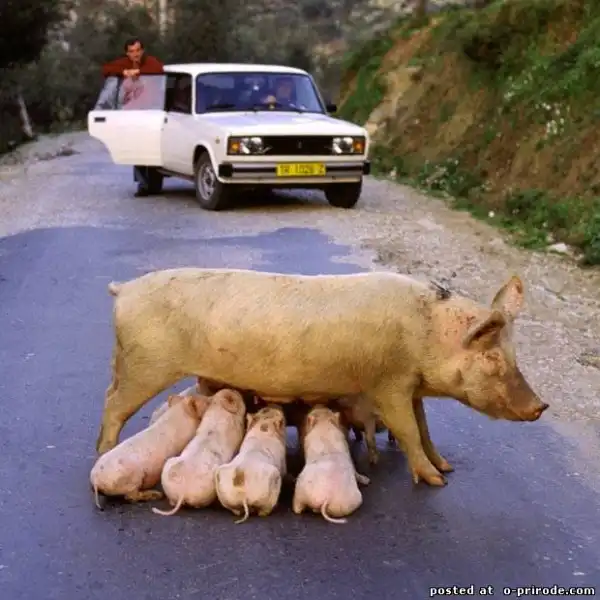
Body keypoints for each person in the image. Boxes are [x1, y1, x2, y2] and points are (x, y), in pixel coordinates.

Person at [102, 38, 165, 197]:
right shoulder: (124, 63)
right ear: (127, 53)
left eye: (137, 50)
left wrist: (138, 72)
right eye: (131, 51)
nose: (135, 54)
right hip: (134, 112)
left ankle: (154, 182)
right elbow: (106, 69)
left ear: (142, 51)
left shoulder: (151, 62)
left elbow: (159, 70)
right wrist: (124, 72)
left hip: (152, 110)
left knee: (153, 148)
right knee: (138, 148)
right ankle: (143, 184)